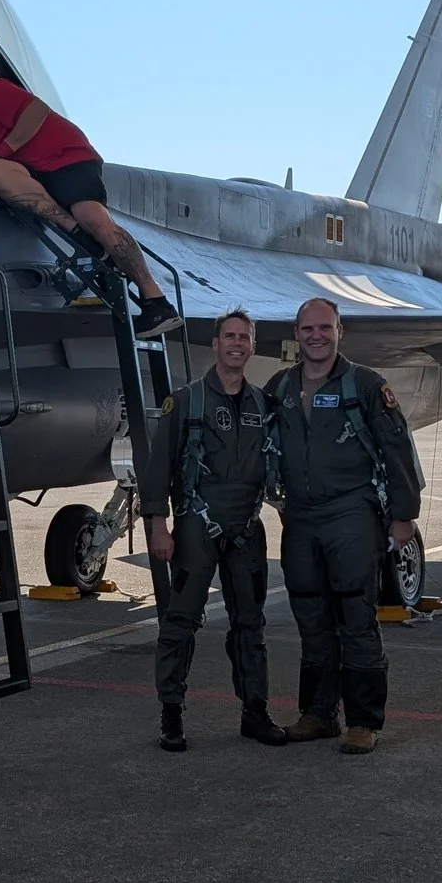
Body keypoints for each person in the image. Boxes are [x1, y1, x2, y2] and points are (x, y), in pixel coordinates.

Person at [263, 297, 423, 756]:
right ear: (297, 334)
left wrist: (403, 515)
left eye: (325, 328)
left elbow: (397, 450)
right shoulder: (281, 386)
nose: (316, 336)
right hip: (301, 518)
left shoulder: (366, 385)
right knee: (311, 620)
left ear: (339, 332)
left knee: (356, 620)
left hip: (352, 515)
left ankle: (363, 721)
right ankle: (317, 714)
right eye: (307, 328)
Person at [0, 79, 178, 337]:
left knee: (94, 217)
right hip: (30, 178)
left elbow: (35, 111)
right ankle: (77, 234)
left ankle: (155, 300)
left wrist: (4, 150)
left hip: (65, 158)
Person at [144, 309, 287, 753]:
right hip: (195, 525)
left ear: (251, 345)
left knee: (250, 624)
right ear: (216, 344)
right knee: (181, 621)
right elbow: (158, 467)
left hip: (246, 526)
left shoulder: (264, 403)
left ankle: (255, 711)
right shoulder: (186, 402)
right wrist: (158, 526)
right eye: (230, 336)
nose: (237, 344)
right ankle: (171, 713)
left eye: (245, 337)